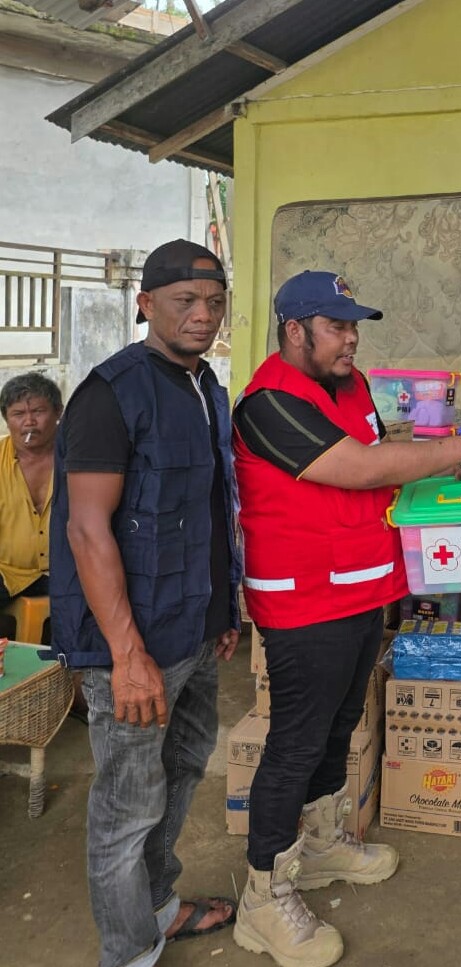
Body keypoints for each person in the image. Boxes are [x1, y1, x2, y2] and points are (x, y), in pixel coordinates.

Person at [231, 269, 461, 967]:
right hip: (302, 601)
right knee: (294, 742)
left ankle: (323, 843)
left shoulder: (348, 387)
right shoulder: (268, 402)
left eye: (354, 325)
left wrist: (450, 465)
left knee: (336, 724)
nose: (351, 338)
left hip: (357, 590)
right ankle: (262, 895)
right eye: (336, 326)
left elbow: (385, 460)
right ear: (294, 331)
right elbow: (359, 466)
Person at [48, 239, 242, 967]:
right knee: (127, 805)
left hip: (190, 626)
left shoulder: (204, 386)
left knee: (184, 766)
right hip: (129, 645)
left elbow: (205, 507)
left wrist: (222, 610)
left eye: (215, 302)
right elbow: (87, 530)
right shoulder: (112, 391)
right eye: (185, 302)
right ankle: (128, 951)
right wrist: (128, 656)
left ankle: (158, 903)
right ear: (145, 304)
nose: (202, 316)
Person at [0, 373, 62, 612]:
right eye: (18, 414)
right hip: (7, 573)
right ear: (6, 419)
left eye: (38, 411)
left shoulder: (78, 458)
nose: (29, 422)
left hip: (67, 574)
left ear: (58, 412)